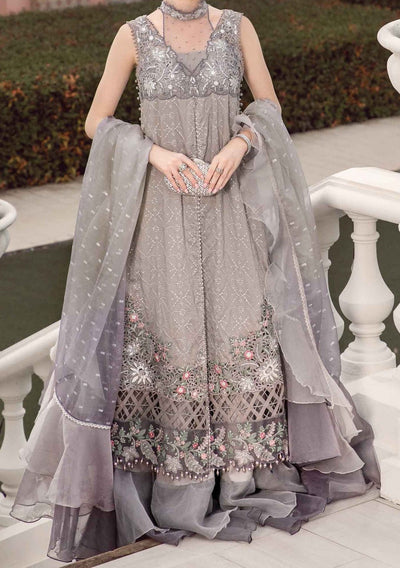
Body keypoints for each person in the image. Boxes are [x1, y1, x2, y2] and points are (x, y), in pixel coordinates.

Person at [10, 0, 381, 562]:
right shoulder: (134, 36)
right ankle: (175, 491)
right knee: (174, 343)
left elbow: (269, 105)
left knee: (242, 337)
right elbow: (96, 121)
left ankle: (241, 481)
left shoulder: (236, 27)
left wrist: (240, 142)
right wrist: (154, 154)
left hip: (232, 210)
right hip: (160, 218)